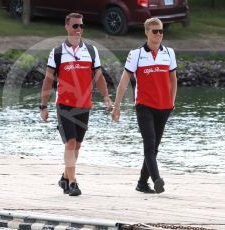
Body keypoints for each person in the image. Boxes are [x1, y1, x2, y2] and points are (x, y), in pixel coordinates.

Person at [40, 13, 112, 196]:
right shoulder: (57, 53)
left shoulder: (91, 50)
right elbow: (48, 80)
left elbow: (99, 76)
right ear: (66, 27)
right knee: (70, 142)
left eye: (81, 26)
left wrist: (106, 97)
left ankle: (65, 176)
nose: (79, 29)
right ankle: (73, 182)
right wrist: (44, 106)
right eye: (75, 26)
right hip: (64, 104)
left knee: (78, 144)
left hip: (84, 104)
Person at [111, 17, 177, 194]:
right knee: (149, 144)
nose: (158, 35)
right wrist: (116, 106)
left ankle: (141, 183)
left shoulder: (169, 53)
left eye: (161, 31)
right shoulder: (137, 54)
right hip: (144, 105)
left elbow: (173, 79)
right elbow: (124, 81)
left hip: (164, 107)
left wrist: (172, 101)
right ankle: (157, 179)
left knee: (155, 147)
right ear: (146, 32)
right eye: (154, 31)